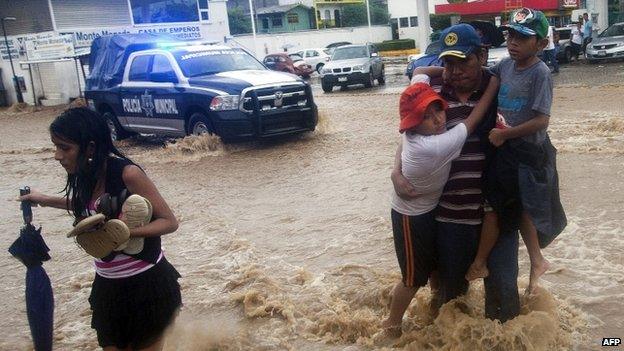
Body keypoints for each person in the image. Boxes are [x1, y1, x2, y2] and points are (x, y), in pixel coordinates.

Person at [19, 108, 182, 350]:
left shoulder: (128, 174)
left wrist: (124, 233)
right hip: (108, 287)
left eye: (64, 148)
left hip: (147, 286)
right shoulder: (85, 174)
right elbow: (86, 206)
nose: (57, 156)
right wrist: (43, 199)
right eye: (56, 146)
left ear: (91, 148)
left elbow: (169, 222)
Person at [393, 24, 522, 322]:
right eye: (449, 63)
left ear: (481, 56)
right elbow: (407, 134)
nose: (456, 70)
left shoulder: (502, 88)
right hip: (451, 214)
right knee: (451, 295)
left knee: (504, 292)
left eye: (464, 61)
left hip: (497, 208)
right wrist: (395, 171)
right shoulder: (431, 96)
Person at [382, 73, 497, 337]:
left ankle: (434, 309)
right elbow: (473, 119)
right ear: (413, 123)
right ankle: (391, 324)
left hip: (431, 209)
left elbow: (419, 73)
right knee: (412, 279)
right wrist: (492, 84)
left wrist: (443, 72)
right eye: (427, 116)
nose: (438, 120)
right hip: (411, 217)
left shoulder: (414, 101)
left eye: (438, 110)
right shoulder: (433, 146)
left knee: (434, 269)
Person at [465, 8, 566, 295]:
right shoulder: (506, 65)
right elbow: (482, 77)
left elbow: (542, 120)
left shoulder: (541, 73)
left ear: (542, 44)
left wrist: (504, 134)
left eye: (522, 37)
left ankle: (481, 262)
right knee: (519, 206)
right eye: (511, 35)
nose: (513, 42)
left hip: (524, 150)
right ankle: (537, 260)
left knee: (495, 204)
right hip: (507, 147)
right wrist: (434, 69)